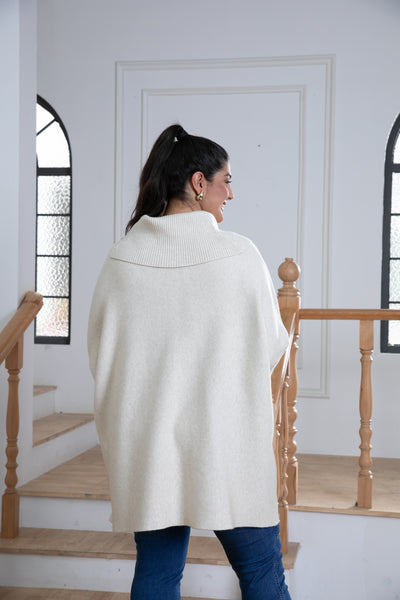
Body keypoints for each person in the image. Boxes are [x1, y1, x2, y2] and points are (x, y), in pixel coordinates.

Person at [87, 124, 291, 600]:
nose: (230, 194)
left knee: (158, 574)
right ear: (199, 183)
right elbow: (270, 346)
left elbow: (102, 359)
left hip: (151, 448)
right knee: (261, 571)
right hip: (228, 445)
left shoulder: (121, 260)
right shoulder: (239, 254)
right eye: (226, 181)